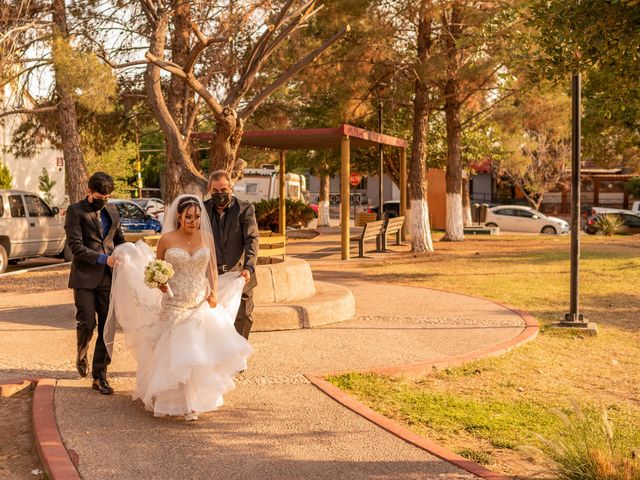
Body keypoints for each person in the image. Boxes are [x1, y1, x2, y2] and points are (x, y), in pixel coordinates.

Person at [105, 195, 252, 421]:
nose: (194, 221)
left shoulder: (205, 237)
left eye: (197, 217)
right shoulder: (167, 239)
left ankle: (195, 401)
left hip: (199, 300)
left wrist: (213, 291)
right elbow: (155, 269)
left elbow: (211, 268)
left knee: (196, 351)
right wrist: (160, 283)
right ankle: (174, 399)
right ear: (179, 217)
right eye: (189, 217)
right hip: (174, 301)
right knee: (175, 351)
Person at [64, 172, 125, 395]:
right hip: (84, 277)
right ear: (89, 191)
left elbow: (119, 241)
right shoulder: (75, 211)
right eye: (100, 195)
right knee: (87, 323)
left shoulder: (114, 211)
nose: (104, 200)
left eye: (108, 196)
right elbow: (75, 246)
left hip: (109, 278)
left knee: (107, 326)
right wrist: (103, 258)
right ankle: (81, 352)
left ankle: (100, 376)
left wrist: (133, 255)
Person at [204, 170, 259, 339]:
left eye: (224, 190)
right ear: (209, 189)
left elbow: (252, 239)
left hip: (240, 274)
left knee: (243, 316)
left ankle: (238, 358)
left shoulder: (245, 209)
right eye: (216, 191)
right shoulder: (202, 209)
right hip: (212, 277)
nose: (220, 194)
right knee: (214, 319)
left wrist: (249, 267)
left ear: (231, 188)